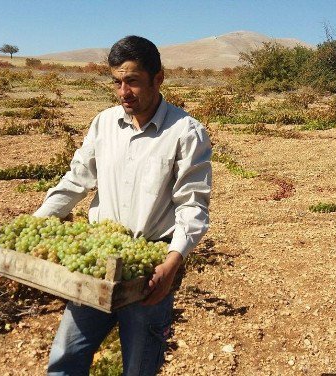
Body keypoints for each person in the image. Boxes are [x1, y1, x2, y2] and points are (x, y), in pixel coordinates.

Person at [34, 35, 212, 376]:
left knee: (140, 368)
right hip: (98, 261)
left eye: (132, 81)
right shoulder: (104, 123)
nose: (123, 93)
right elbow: (76, 180)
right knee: (64, 360)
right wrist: (37, 220)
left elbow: (192, 206)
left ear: (158, 78)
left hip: (148, 272)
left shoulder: (187, 133)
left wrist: (172, 263)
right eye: (117, 82)